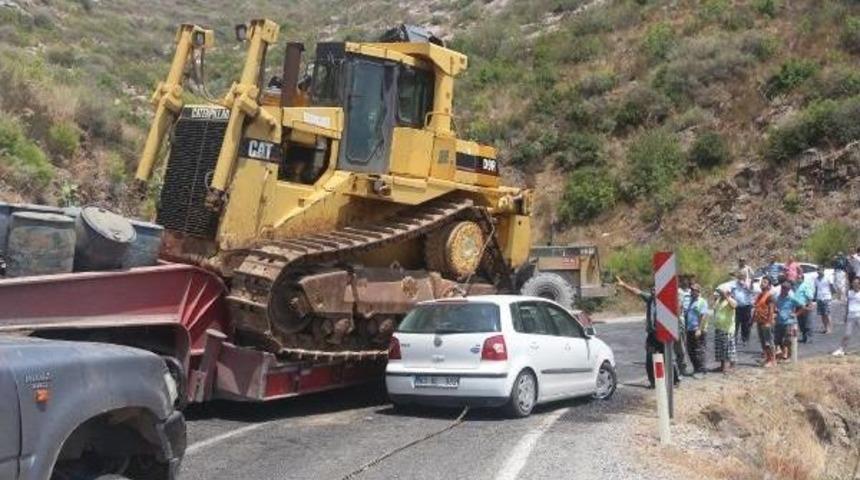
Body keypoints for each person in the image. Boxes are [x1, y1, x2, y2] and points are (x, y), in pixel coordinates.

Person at [616, 276, 680, 387]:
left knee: (667, 358)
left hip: (663, 334)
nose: (653, 292)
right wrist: (623, 285)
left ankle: (674, 381)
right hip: (652, 334)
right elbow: (636, 292)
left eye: (655, 290)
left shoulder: (665, 302)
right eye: (652, 290)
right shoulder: (649, 299)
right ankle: (653, 382)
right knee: (649, 359)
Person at [684, 283, 709, 378]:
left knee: (699, 350)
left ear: (698, 292)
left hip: (698, 330)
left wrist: (699, 329)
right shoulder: (690, 301)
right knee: (690, 350)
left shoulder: (702, 302)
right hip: (690, 329)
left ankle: (702, 371)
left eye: (694, 290)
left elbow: (703, 317)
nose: (691, 292)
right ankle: (696, 368)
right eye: (691, 290)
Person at [774, 278, 802, 361]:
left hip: (788, 322)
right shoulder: (777, 297)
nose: (783, 289)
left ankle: (789, 356)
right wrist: (775, 311)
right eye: (782, 288)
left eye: (785, 288)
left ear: (788, 290)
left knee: (787, 340)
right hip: (779, 321)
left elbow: (803, 307)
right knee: (778, 339)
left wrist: (796, 314)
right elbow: (775, 306)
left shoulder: (791, 298)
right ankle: (783, 354)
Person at [753, 276, 777, 367]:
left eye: (765, 282)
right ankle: (767, 358)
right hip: (759, 321)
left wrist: (768, 322)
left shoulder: (770, 296)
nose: (762, 284)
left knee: (769, 341)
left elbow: (771, 310)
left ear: (769, 286)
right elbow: (756, 308)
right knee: (763, 342)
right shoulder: (759, 295)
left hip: (766, 322)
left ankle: (773, 360)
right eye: (762, 282)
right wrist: (752, 320)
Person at [832, 277, 860, 356]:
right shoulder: (850, 293)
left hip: (859, 315)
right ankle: (841, 350)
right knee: (847, 334)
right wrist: (845, 315)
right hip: (850, 316)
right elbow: (847, 304)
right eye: (853, 283)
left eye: (856, 283)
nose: (854, 284)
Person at [712, 288, 738, 373]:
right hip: (719, 327)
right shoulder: (719, 300)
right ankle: (722, 366)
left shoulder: (731, 300)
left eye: (723, 292)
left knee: (729, 348)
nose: (721, 294)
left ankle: (732, 366)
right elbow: (714, 308)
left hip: (727, 328)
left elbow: (734, 305)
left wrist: (726, 297)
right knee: (720, 348)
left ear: (728, 293)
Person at [730, 271, 753, 346]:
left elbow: (752, 291)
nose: (741, 277)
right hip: (737, 306)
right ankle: (734, 339)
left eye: (743, 276)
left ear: (745, 277)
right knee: (735, 323)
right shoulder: (734, 284)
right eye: (740, 276)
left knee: (745, 324)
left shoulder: (748, 283)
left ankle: (745, 339)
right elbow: (731, 292)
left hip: (746, 306)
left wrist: (746, 286)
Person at [813, 266, 836, 334]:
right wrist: (814, 297)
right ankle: (825, 328)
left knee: (827, 313)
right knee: (822, 314)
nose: (819, 271)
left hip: (826, 297)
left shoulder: (827, 278)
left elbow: (832, 288)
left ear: (823, 270)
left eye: (820, 270)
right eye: (818, 270)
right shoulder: (816, 279)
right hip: (819, 298)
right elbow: (816, 289)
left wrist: (833, 295)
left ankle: (829, 328)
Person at [794, 276, 816, 343]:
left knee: (808, 322)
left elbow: (809, 296)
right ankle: (804, 337)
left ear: (802, 279)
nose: (798, 279)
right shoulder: (797, 286)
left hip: (805, 305)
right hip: (798, 306)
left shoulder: (805, 285)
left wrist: (809, 305)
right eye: (797, 278)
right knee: (801, 323)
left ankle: (809, 338)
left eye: (799, 278)